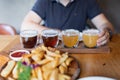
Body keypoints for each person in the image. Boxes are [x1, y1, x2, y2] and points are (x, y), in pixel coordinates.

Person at [21, 0, 114, 46]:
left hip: (78, 48)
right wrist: (57, 33)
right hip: (52, 48)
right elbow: (25, 25)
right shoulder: (44, 1)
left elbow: (105, 24)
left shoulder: (87, 1)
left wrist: (106, 31)